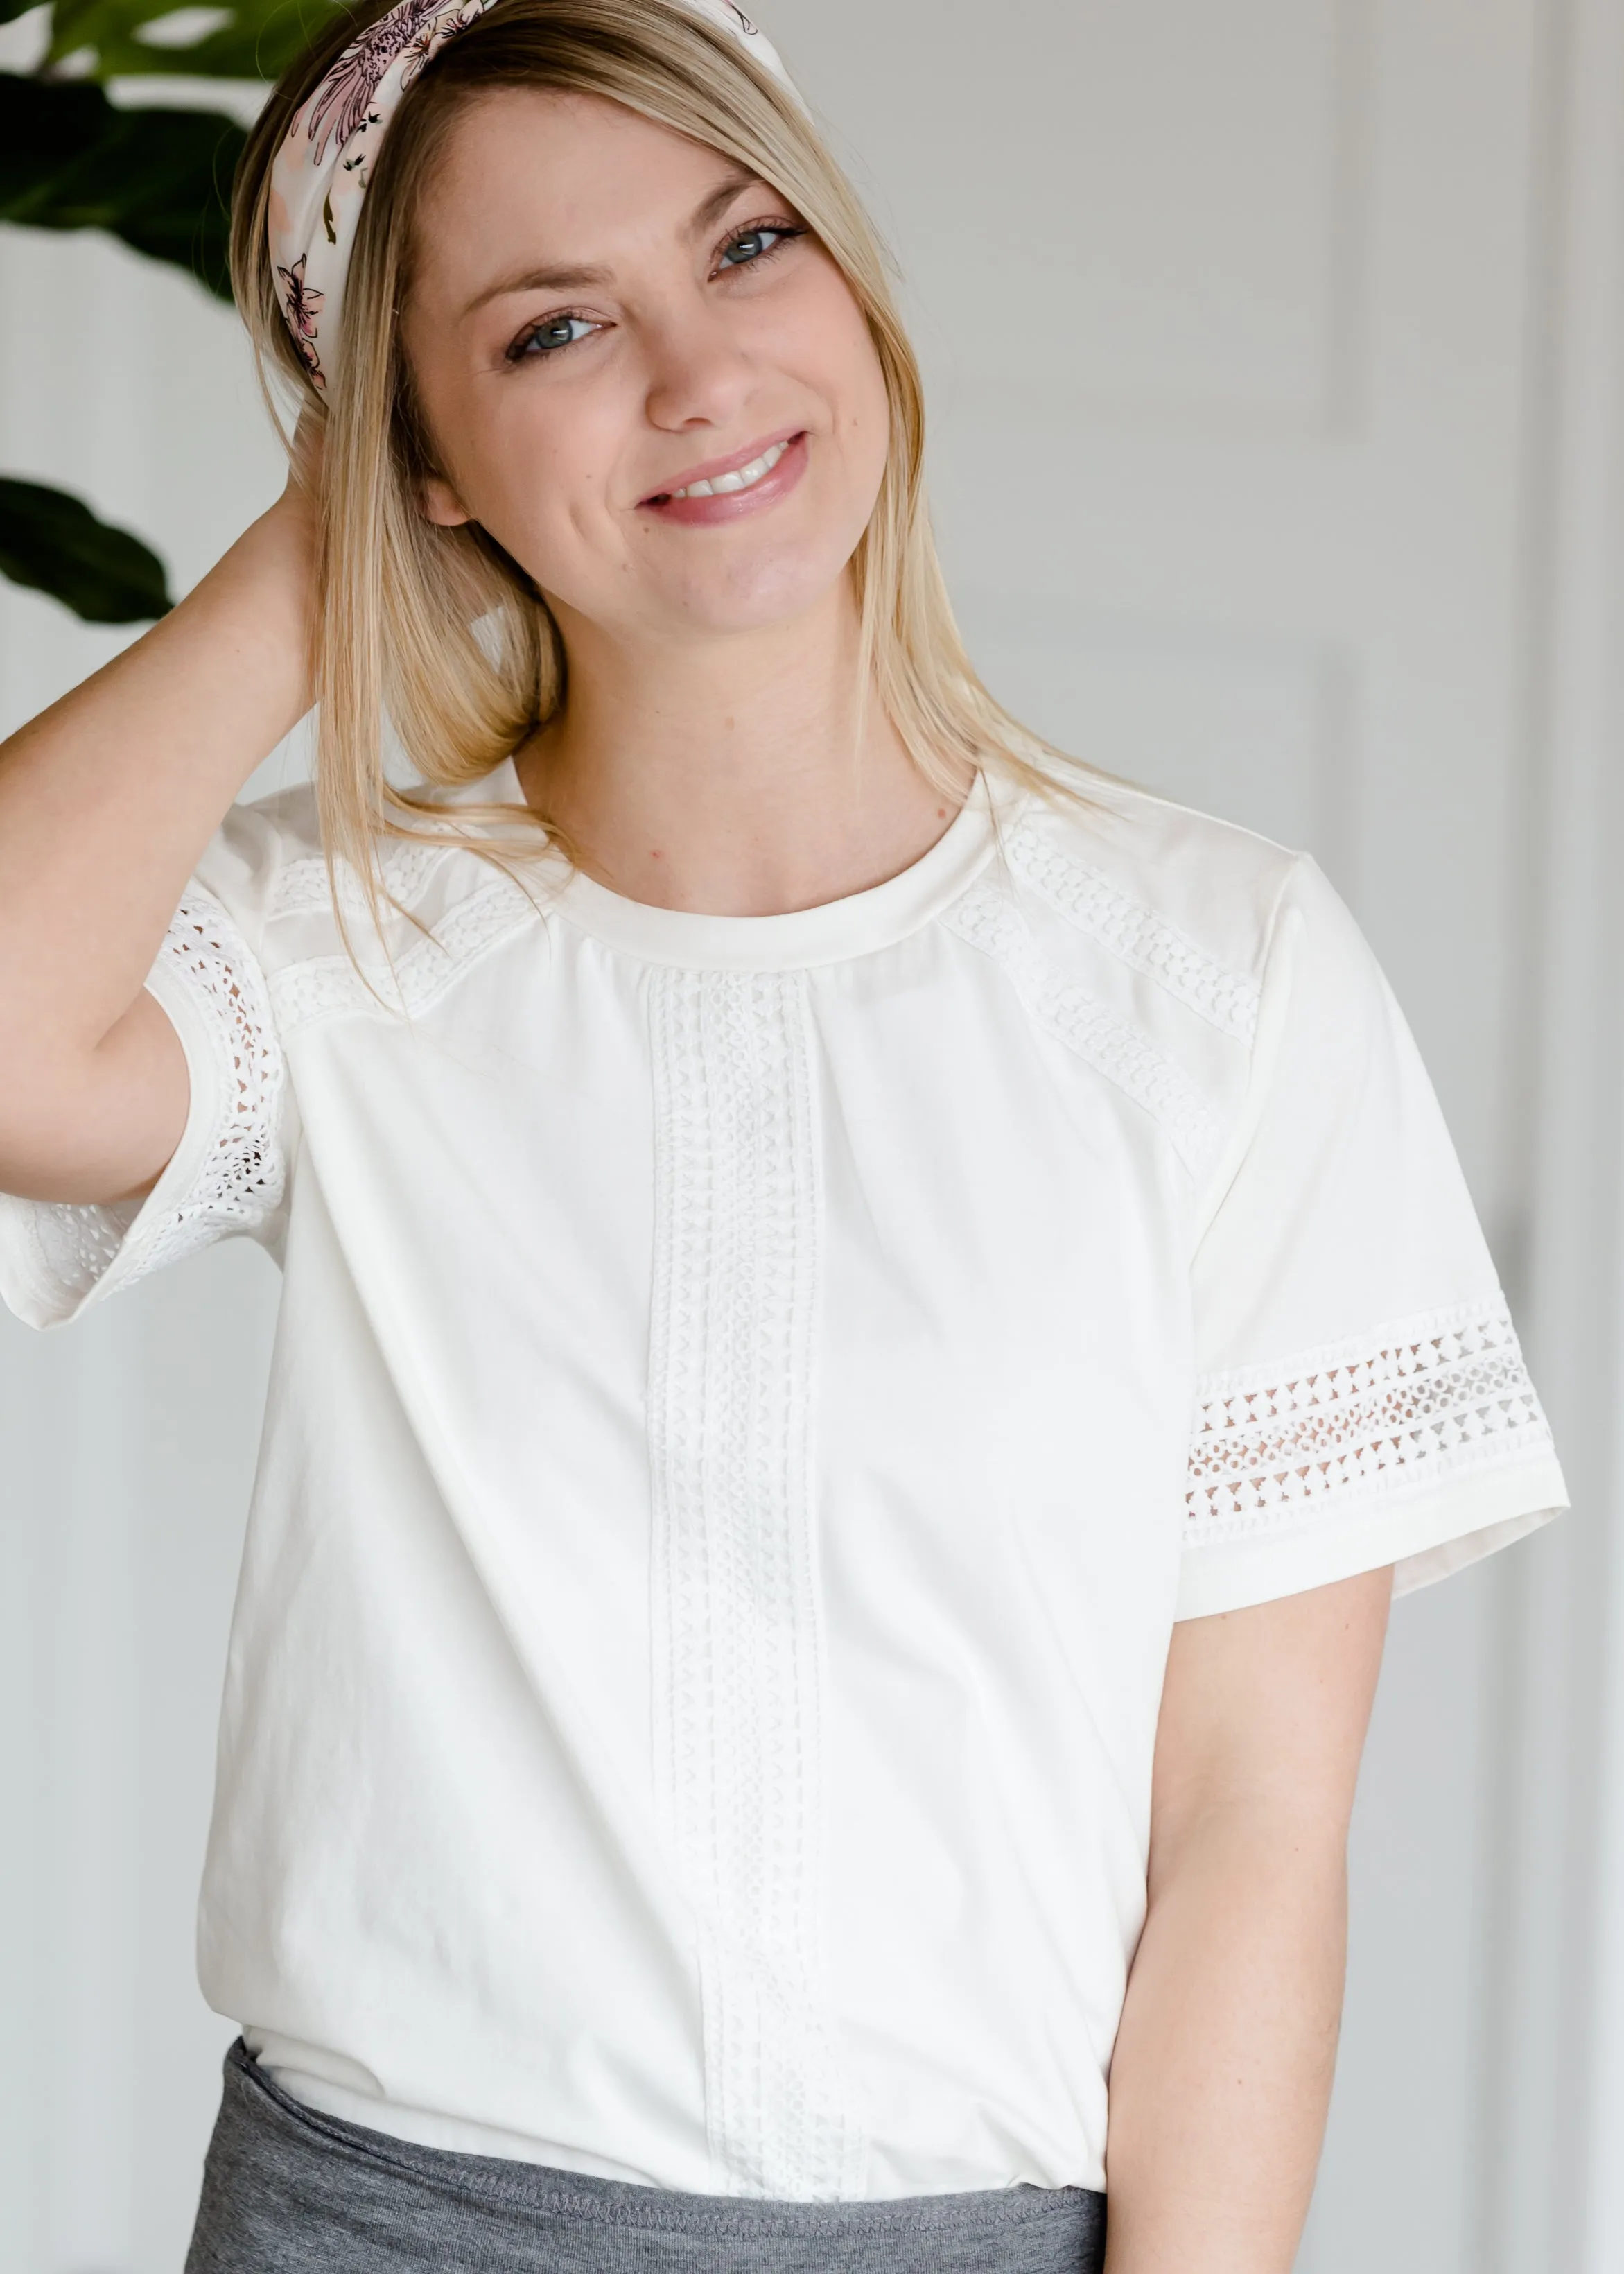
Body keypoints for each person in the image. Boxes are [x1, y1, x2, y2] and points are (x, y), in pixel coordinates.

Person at [0, 1, 1569, 2267]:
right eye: (550, 327)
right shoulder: (348, 949)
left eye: (745, 244)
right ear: (416, 448)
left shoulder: (1216, 973)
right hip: (389, 2218)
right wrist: (311, 565)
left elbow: (1248, 1827)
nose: (697, 372)